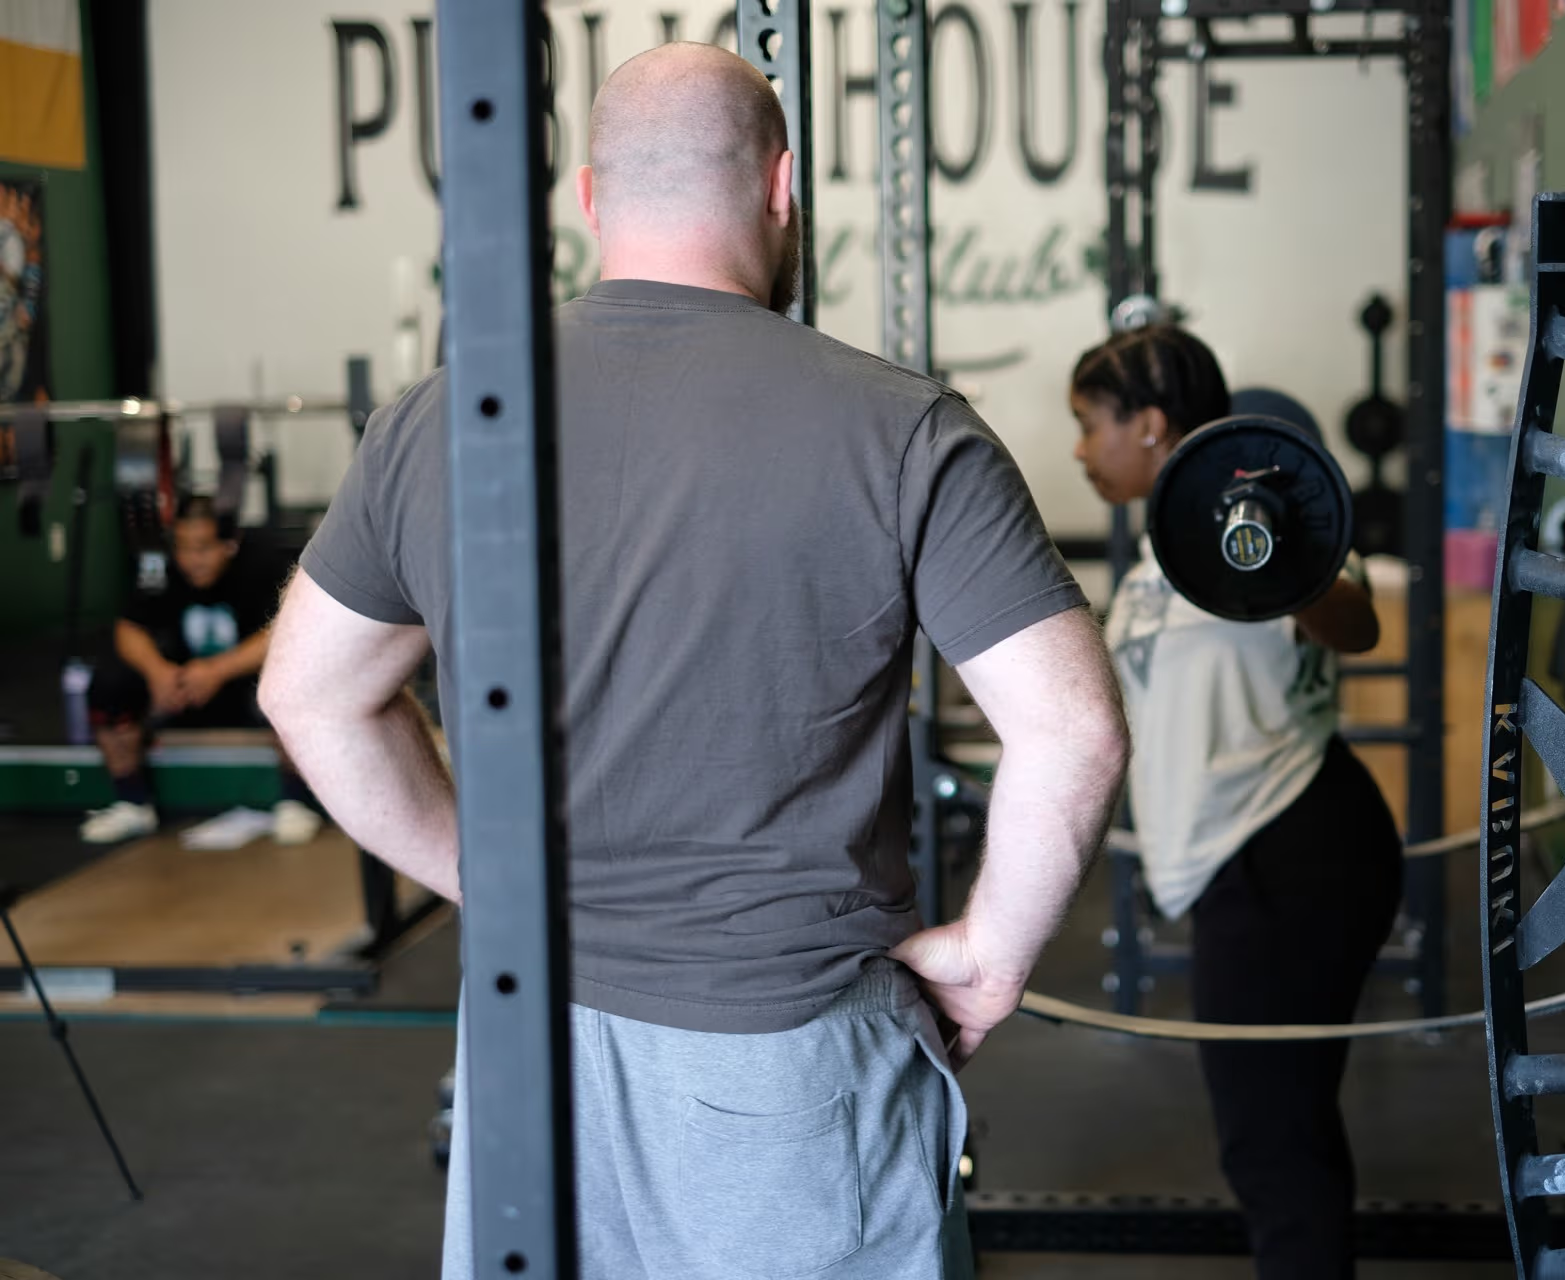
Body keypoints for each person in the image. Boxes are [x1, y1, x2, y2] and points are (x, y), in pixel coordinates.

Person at [260, 42, 1128, 1280]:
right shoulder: (904, 429)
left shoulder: (436, 422)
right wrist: (990, 958)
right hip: (785, 1059)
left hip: (525, 1049)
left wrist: (488, 876)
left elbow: (307, 692)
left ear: (592, 201)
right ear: (782, 190)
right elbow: (1076, 732)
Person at [1069, 324, 1405, 1280]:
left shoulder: (1247, 527)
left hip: (1290, 848)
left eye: (1092, 425)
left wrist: (1280, 556)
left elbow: (1358, 621)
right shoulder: (1159, 558)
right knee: (1278, 1130)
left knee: (1272, 1140)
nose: (1081, 450)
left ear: (1153, 425)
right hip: (1243, 866)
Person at [80, 494, 322, 846]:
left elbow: (290, 628)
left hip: (244, 683)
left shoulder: (262, 562)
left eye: (203, 548)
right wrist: (157, 672)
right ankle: (132, 802)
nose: (192, 560)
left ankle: (295, 799)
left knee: (296, 679)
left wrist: (217, 671)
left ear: (229, 544)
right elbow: (128, 627)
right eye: (183, 548)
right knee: (109, 684)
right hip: (179, 689)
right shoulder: (157, 566)